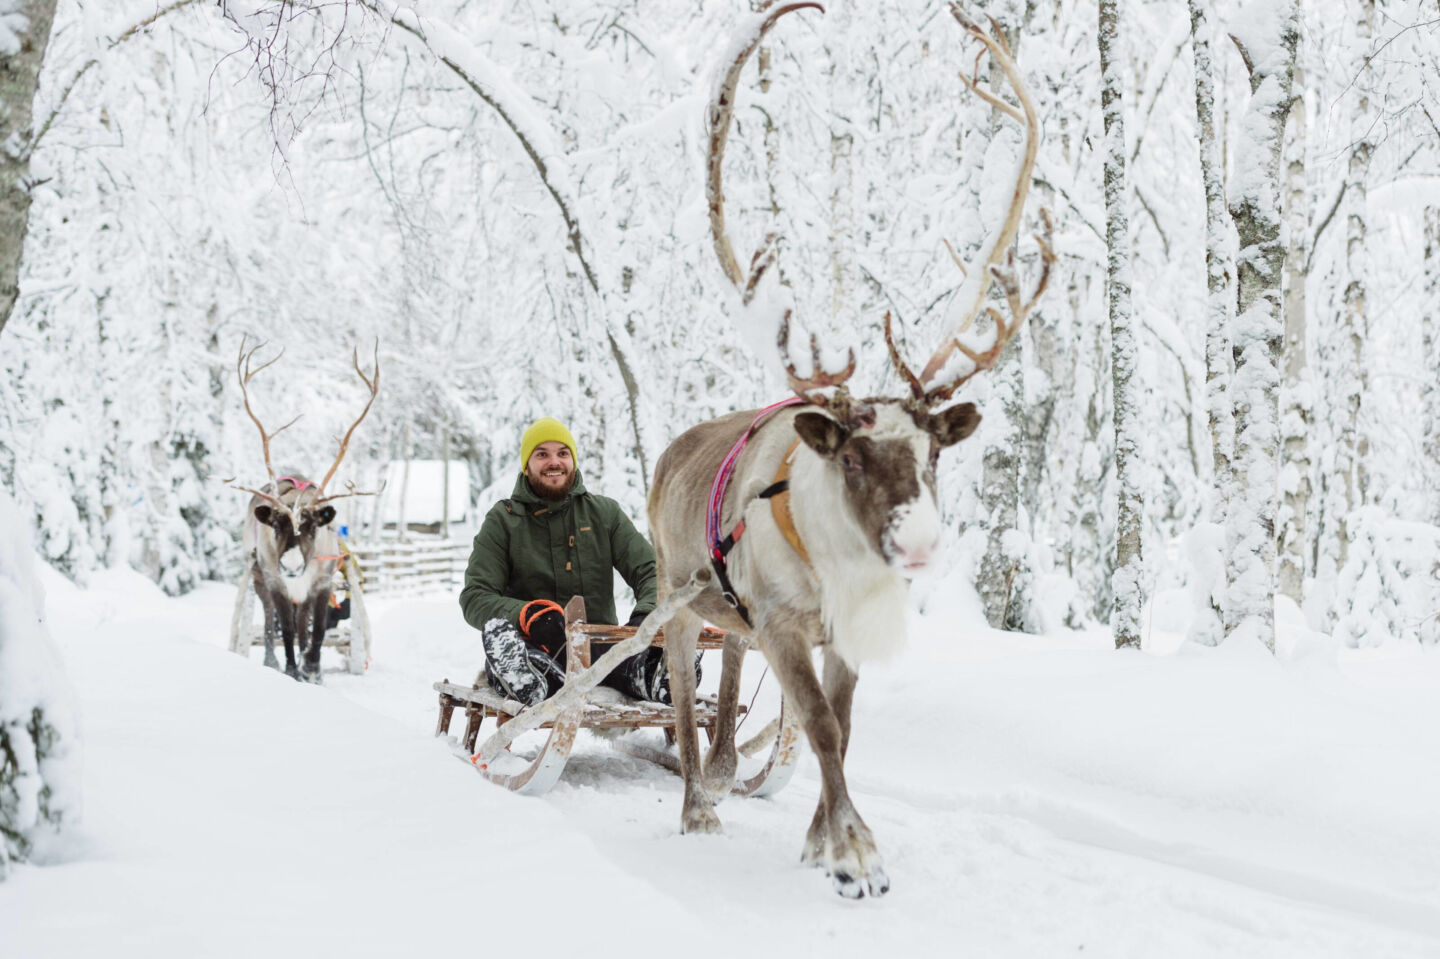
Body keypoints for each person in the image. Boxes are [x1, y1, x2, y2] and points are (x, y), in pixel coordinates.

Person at [460, 417, 691, 707]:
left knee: (628, 661)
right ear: (526, 464)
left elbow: (653, 572)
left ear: (573, 460)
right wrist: (526, 614)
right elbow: (475, 596)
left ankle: (661, 675)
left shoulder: (604, 514)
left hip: (602, 647)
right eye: (542, 454)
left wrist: (647, 615)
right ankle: (528, 679)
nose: (554, 462)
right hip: (535, 645)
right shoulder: (503, 520)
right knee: (522, 658)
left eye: (562, 453)